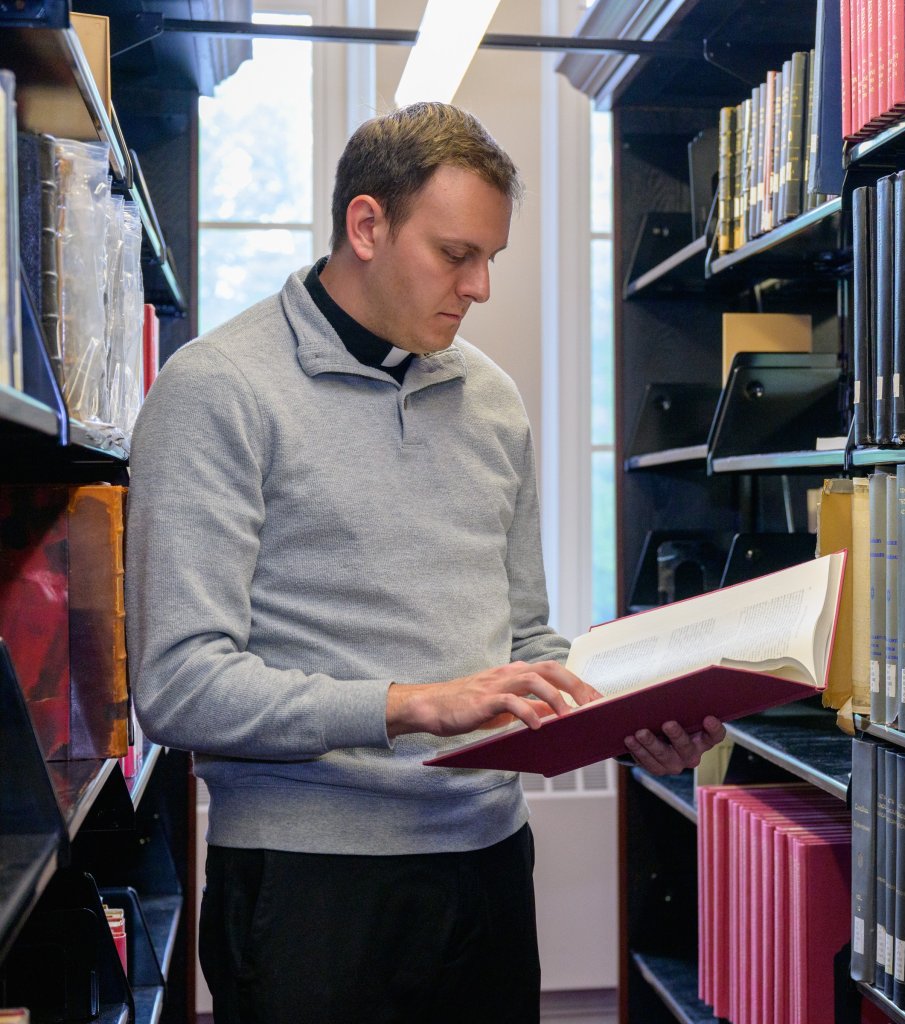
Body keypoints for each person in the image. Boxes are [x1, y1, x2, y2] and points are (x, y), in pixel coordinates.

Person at [126, 102, 726, 1023]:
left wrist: (623, 718)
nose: (481, 286)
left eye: (492, 258)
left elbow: (528, 636)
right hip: (309, 890)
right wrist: (411, 705)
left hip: (489, 871)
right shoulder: (217, 391)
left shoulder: (492, 402)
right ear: (366, 226)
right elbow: (178, 687)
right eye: (456, 255)